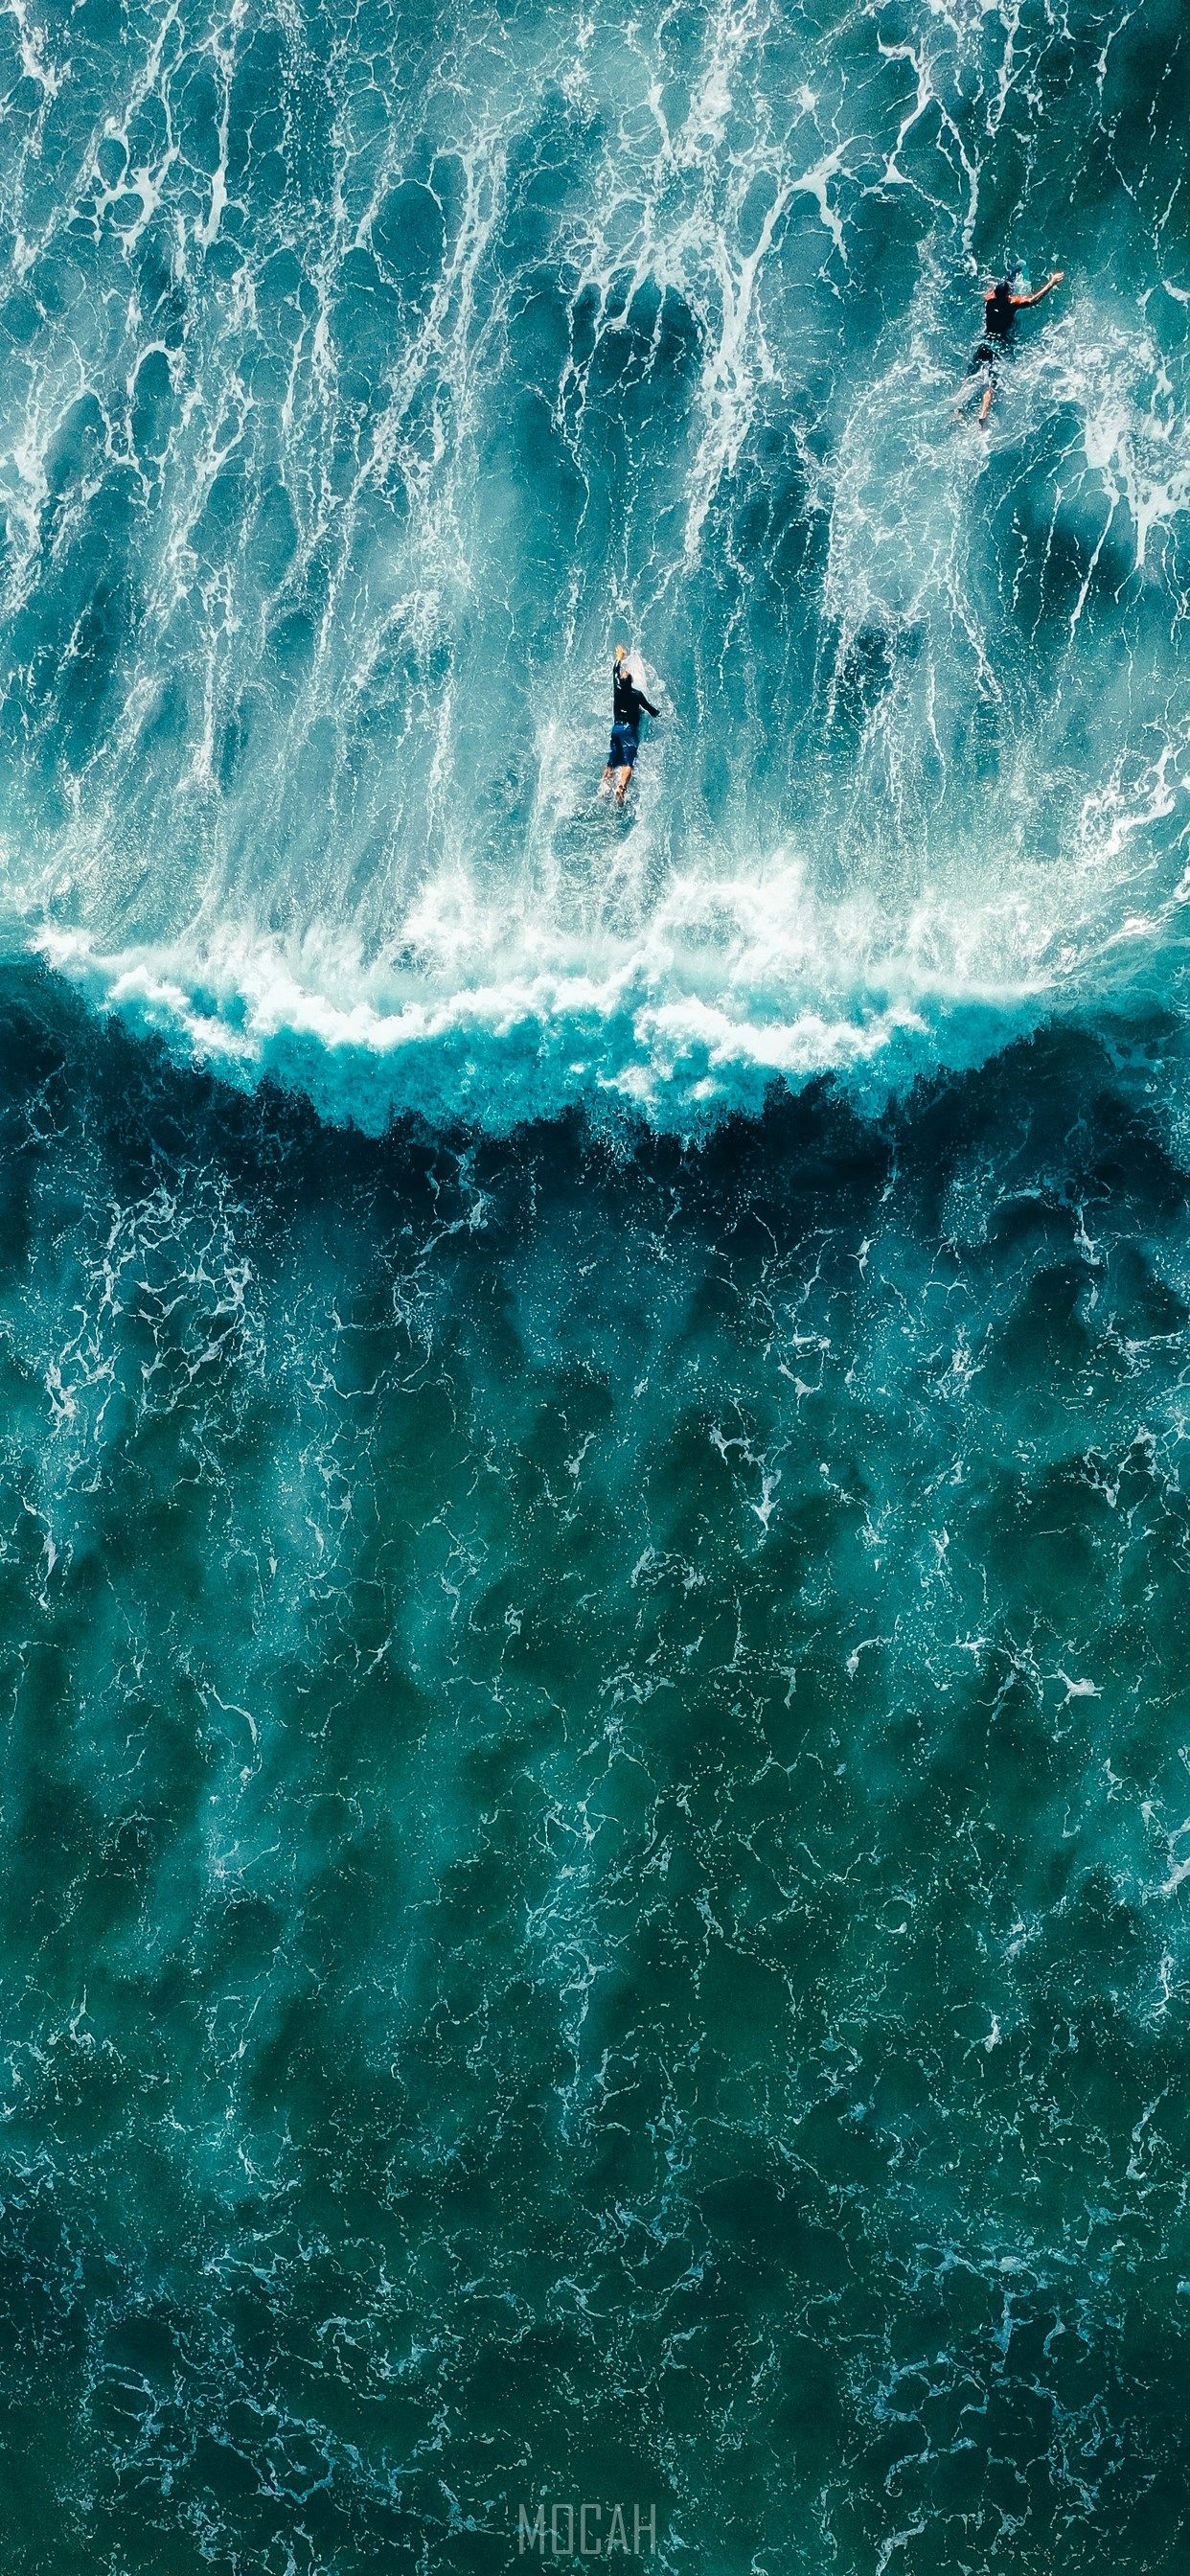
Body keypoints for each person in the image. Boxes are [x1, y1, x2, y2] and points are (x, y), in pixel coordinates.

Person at [960, 264, 1064, 425]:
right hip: (998, 347)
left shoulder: (989, 301)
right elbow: (1033, 299)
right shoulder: (1012, 305)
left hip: (984, 344)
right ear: (1008, 296)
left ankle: (959, 409)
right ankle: (982, 416)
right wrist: (1052, 282)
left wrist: (1010, 276)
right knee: (990, 385)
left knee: (968, 379)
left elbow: (995, 292)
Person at [600, 642, 660, 804]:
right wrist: (659, 714)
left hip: (616, 729)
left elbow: (614, 672)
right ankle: (621, 788)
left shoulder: (618, 689)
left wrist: (619, 658)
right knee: (628, 761)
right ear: (631, 680)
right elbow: (651, 710)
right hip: (629, 730)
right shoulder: (637, 694)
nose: (624, 671)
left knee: (612, 760)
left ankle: (604, 787)